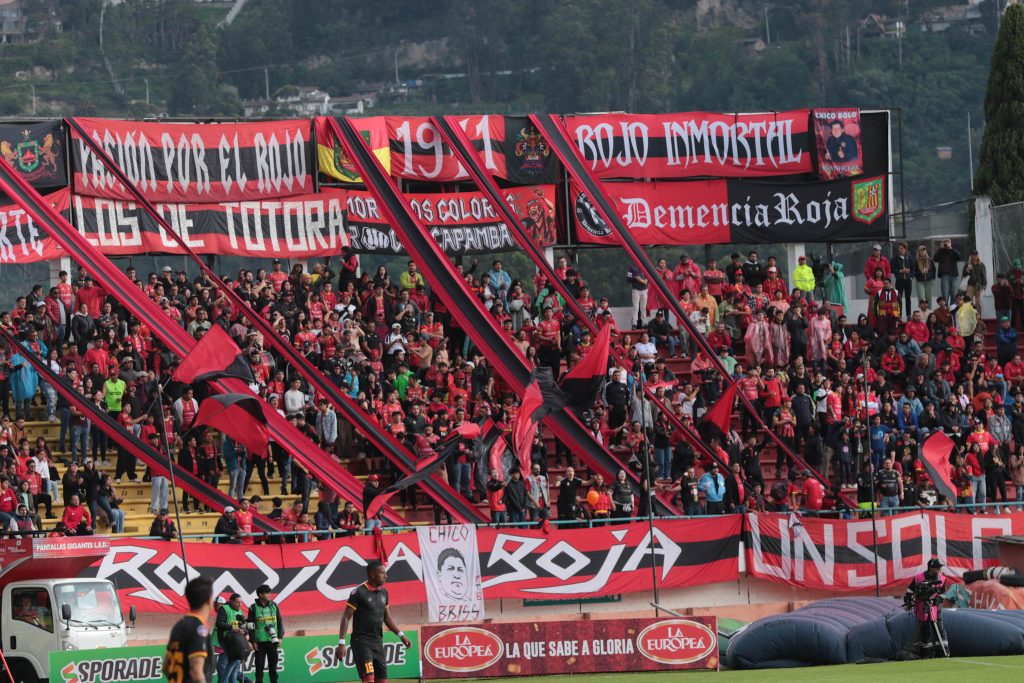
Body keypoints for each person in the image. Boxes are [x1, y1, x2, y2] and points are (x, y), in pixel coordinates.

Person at [338, 561, 412, 683]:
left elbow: (387, 617)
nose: (386, 576)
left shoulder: (384, 593)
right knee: (369, 679)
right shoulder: (358, 593)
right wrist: (341, 643)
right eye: (382, 573)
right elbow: (346, 617)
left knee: (382, 681)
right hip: (361, 642)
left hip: (378, 642)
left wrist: (401, 635)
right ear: (372, 574)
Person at [164, 576, 215, 683]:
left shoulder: (179, 625)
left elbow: (165, 667)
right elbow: (196, 671)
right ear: (209, 601)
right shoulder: (200, 629)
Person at [902, 558, 949, 658]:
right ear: (930, 568)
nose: (938, 570)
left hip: (936, 607)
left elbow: (943, 594)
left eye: (939, 568)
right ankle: (927, 654)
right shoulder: (918, 578)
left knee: (939, 629)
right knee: (924, 629)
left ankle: (943, 653)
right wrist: (909, 599)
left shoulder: (942, 579)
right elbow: (910, 590)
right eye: (936, 568)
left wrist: (936, 601)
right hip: (921, 607)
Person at [247, 584, 284, 683]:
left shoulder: (274, 605)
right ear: (260, 595)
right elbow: (250, 627)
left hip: (273, 641)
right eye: (267, 593)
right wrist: (253, 641)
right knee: (259, 668)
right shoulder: (253, 608)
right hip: (259, 643)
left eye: (269, 593)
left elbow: (280, 622)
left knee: (273, 668)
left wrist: (280, 637)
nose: (269, 595)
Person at [214, 593, 248, 683]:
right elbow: (219, 623)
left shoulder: (240, 611)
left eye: (241, 602)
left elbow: (244, 626)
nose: (240, 604)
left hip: (236, 643)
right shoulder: (224, 608)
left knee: (234, 668)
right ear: (231, 601)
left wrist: (243, 631)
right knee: (223, 666)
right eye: (237, 602)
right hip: (226, 642)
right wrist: (232, 627)